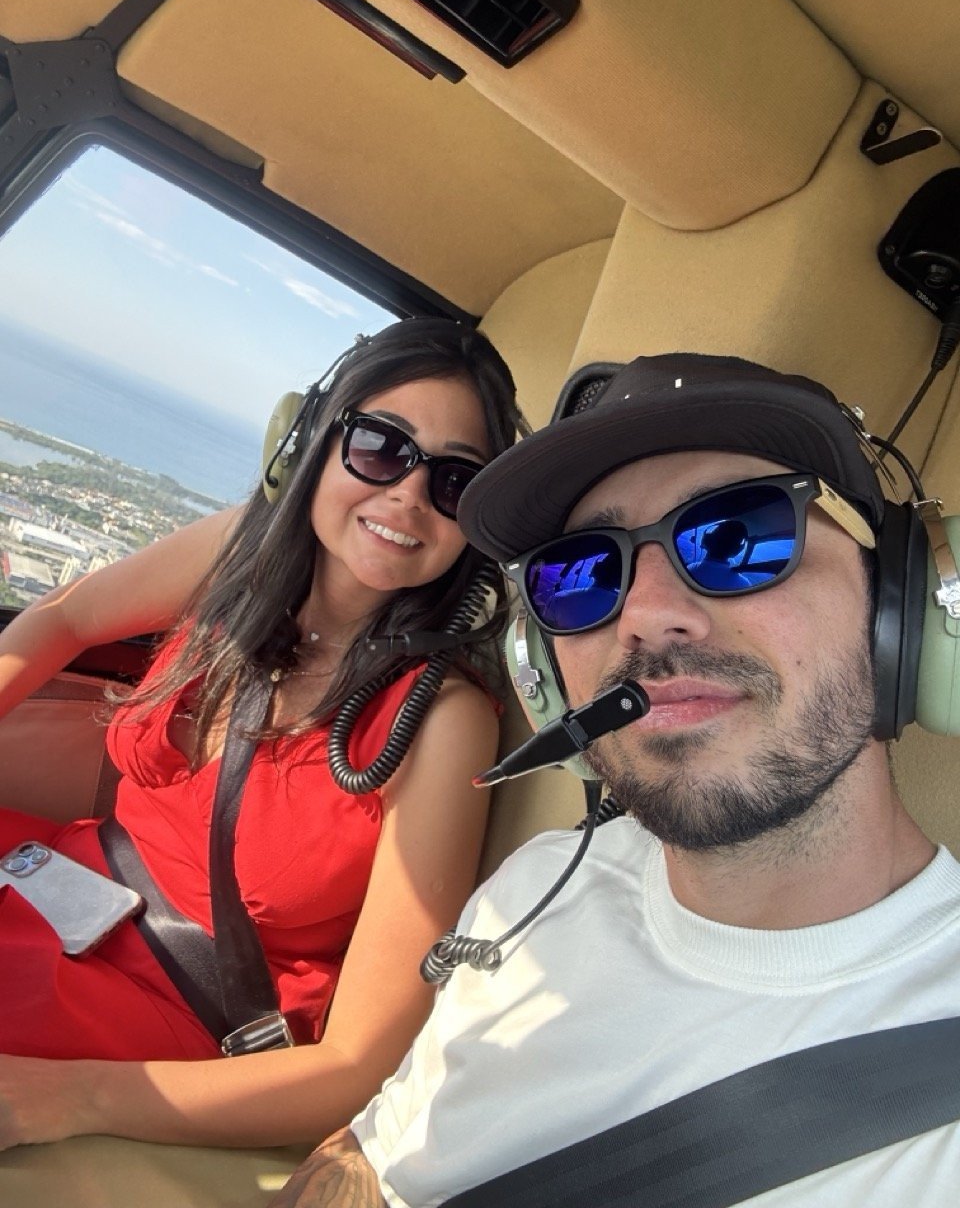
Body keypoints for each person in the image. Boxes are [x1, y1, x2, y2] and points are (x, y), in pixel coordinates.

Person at [271, 352, 960, 1206]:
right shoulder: (530, 893)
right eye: (582, 575)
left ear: (902, 601)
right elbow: (372, 1154)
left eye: (738, 537)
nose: (644, 615)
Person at [0, 317, 527, 1151]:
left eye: (456, 480)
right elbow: (64, 619)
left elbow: (357, 1063)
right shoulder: (239, 558)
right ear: (314, 440)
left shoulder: (438, 720)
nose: (408, 496)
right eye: (382, 447)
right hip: (53, 884)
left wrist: (71, 1098)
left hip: (165, 1008)